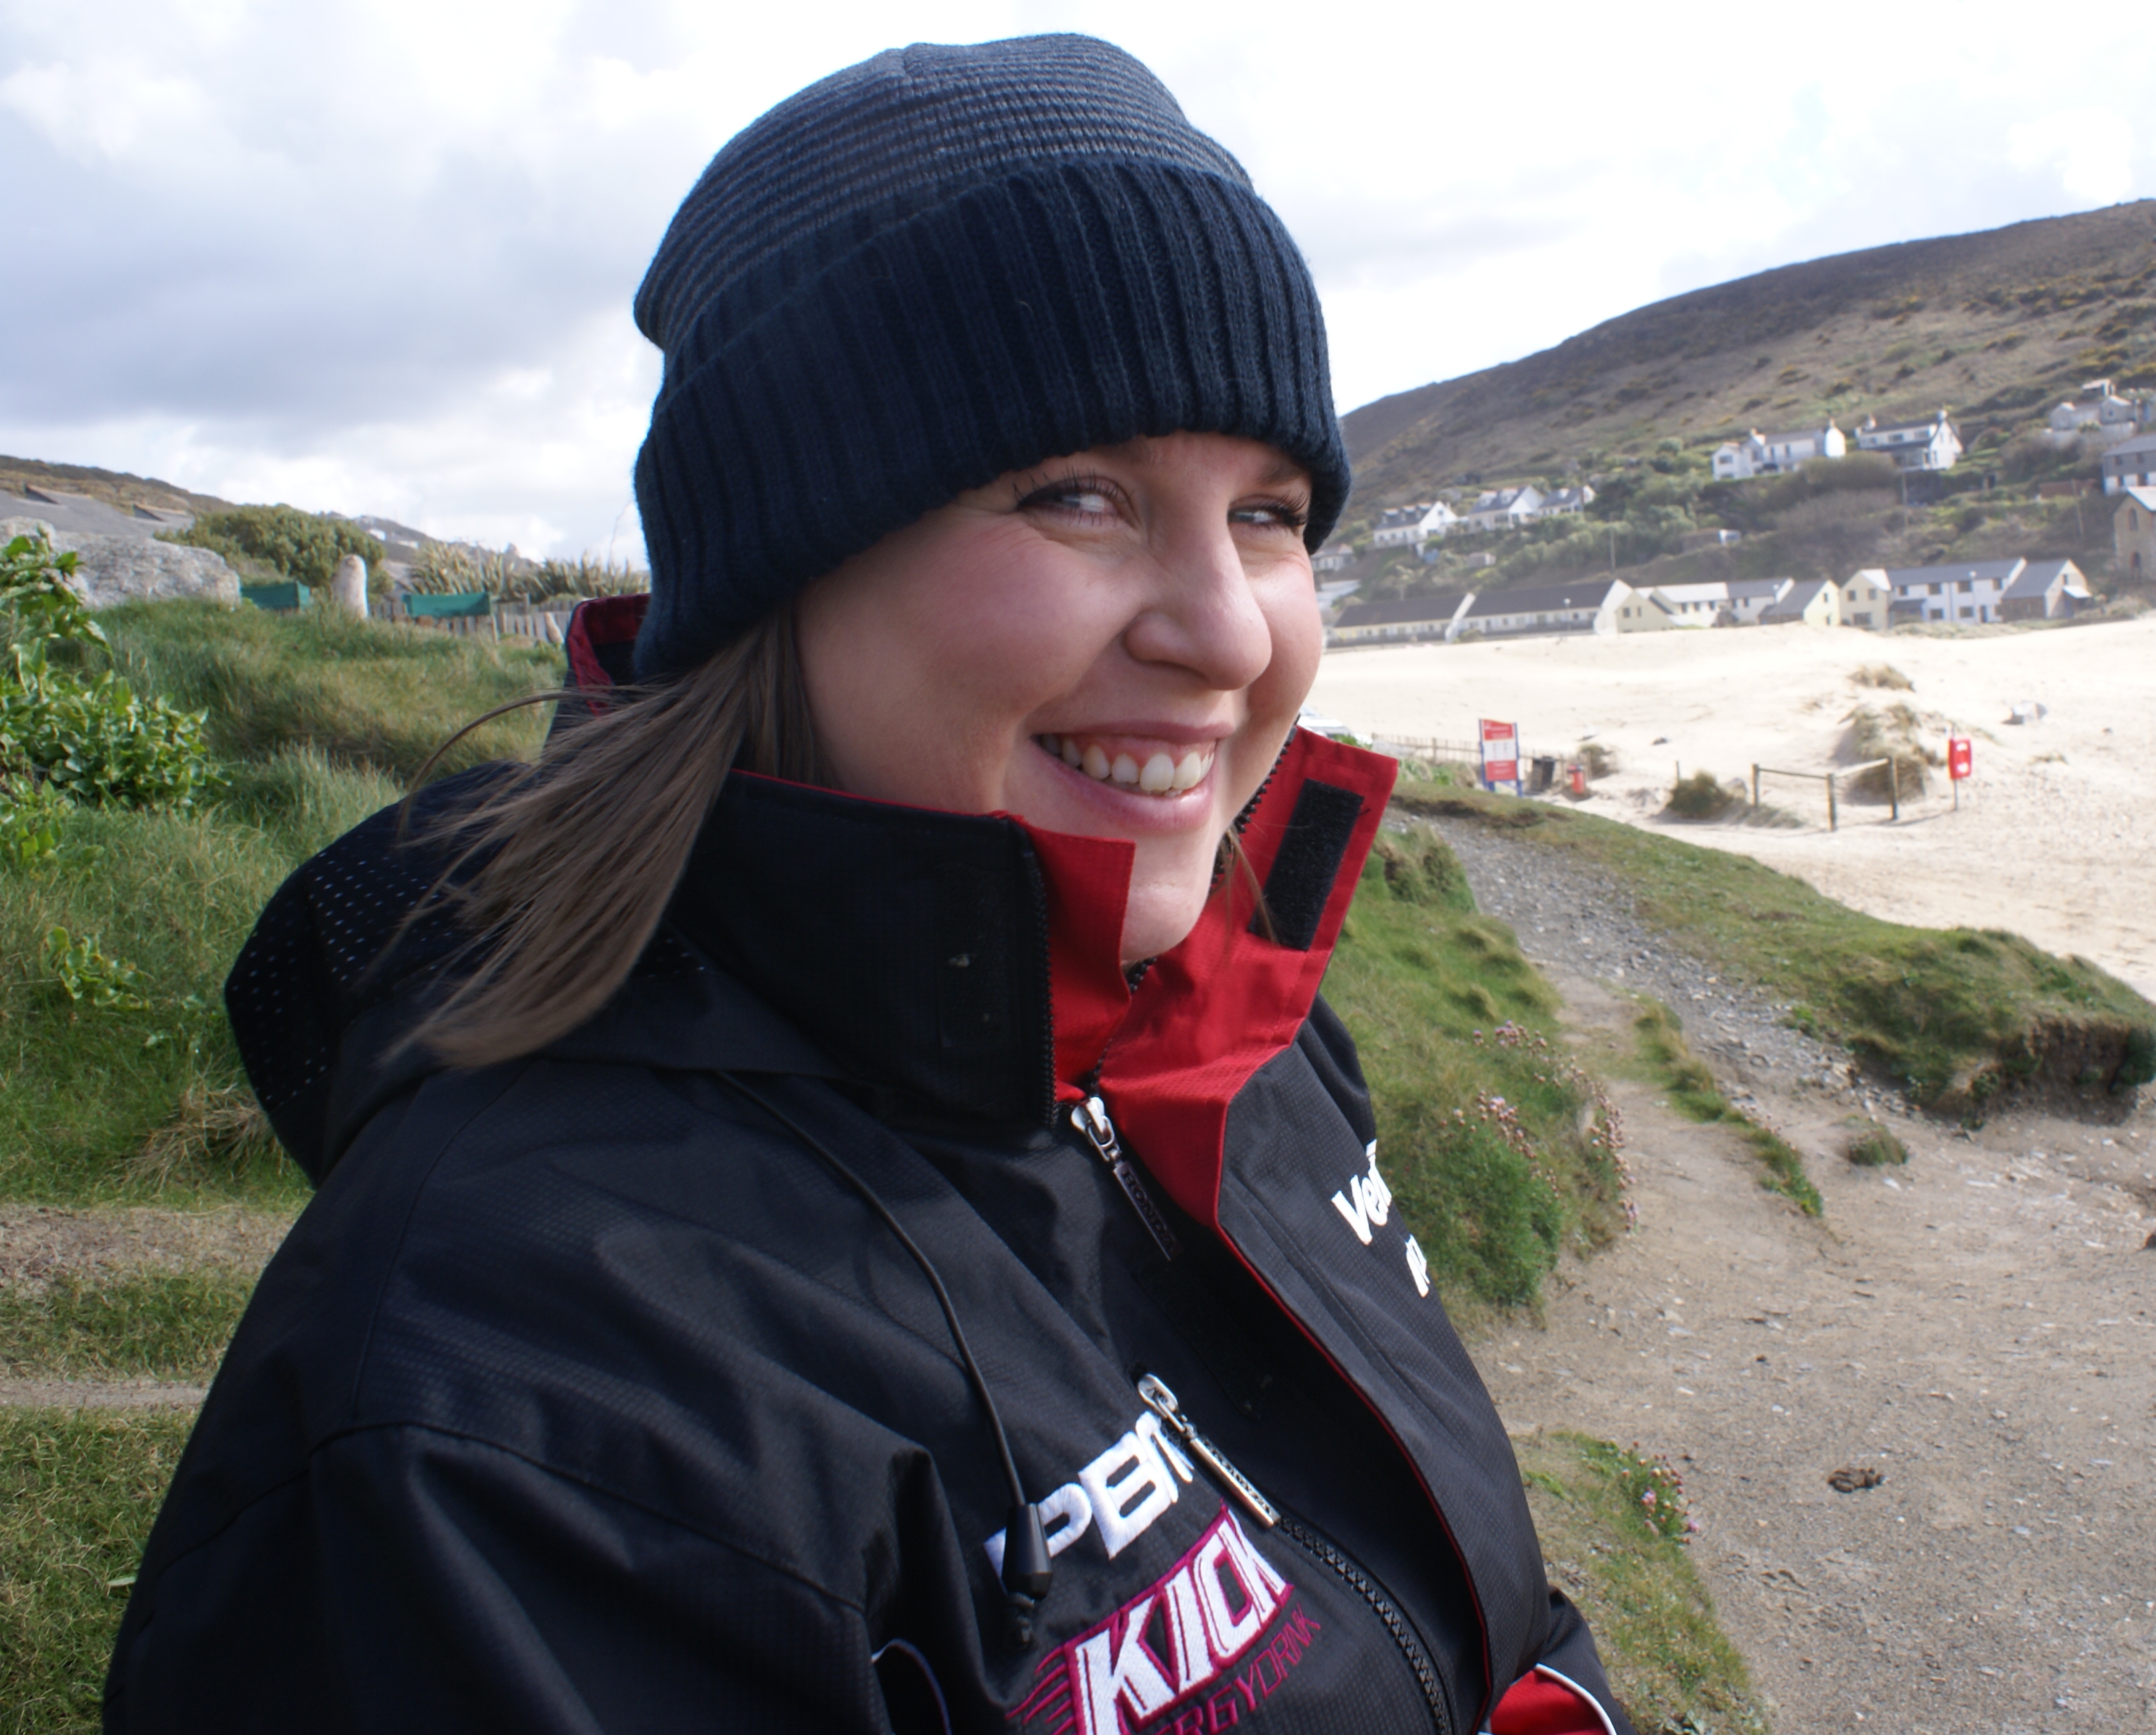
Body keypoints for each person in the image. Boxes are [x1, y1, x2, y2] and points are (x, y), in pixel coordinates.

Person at [105, 36, 1632, 1735]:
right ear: (783, 570)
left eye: (1269, 515)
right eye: (1077, 495)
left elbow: (1461, 1619)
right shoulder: (516, 1390)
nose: (1227, 632)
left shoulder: (1238, 1029)